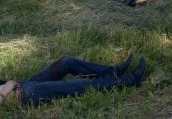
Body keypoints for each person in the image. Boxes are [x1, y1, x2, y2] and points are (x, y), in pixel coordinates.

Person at [0, 55, 145, 105]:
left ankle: (111, 73)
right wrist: (6, 90)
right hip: (21, 96)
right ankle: (130, 81)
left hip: (21, 87)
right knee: (74, 86)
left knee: (65, 62)